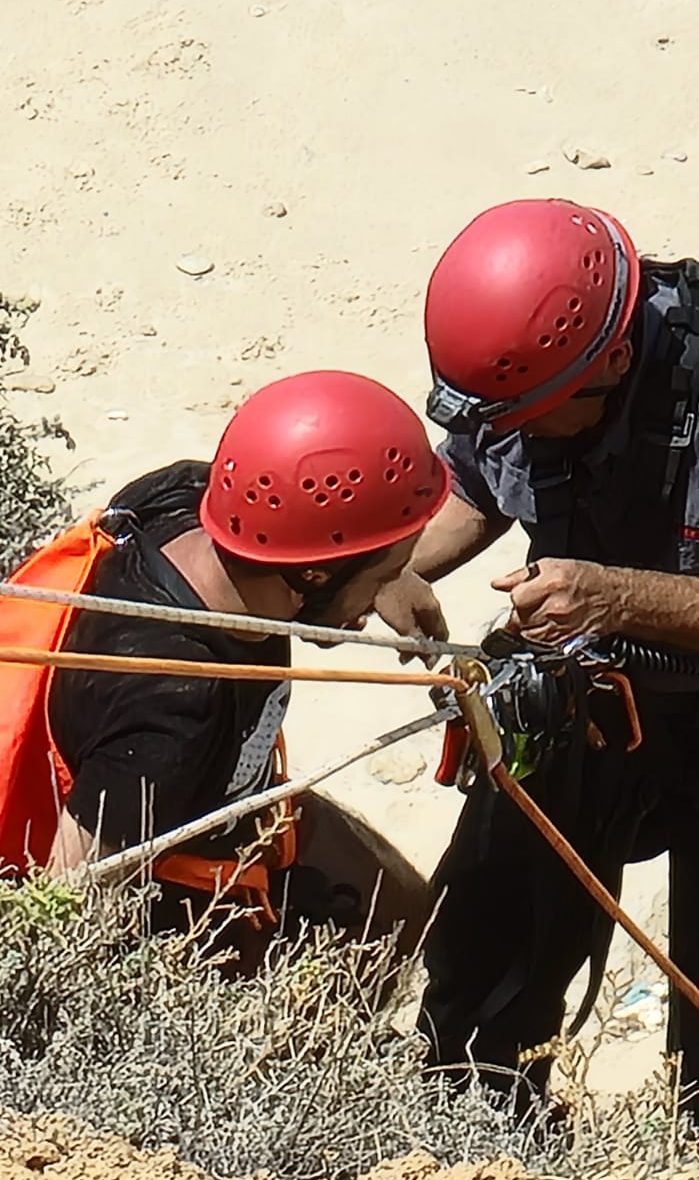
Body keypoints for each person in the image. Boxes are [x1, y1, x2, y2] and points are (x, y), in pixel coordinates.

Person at [380, 197, 699, 1140]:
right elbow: (477, 475)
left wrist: (617, 597)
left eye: (541, 419)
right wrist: (397, 562)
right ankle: (476, 1162)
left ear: (613, 362)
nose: (522, 435)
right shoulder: (529, 371)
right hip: (597, 686)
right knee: (485, 956)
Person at [0, 369, 448, 955]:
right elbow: (71, 896)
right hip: (179, 896)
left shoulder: (188, 498)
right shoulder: (171, 708)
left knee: (410, 912)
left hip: (239, 809)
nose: (374, 602)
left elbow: (300, 520)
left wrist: (385, 576)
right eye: (381, 573)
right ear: (313, 572)